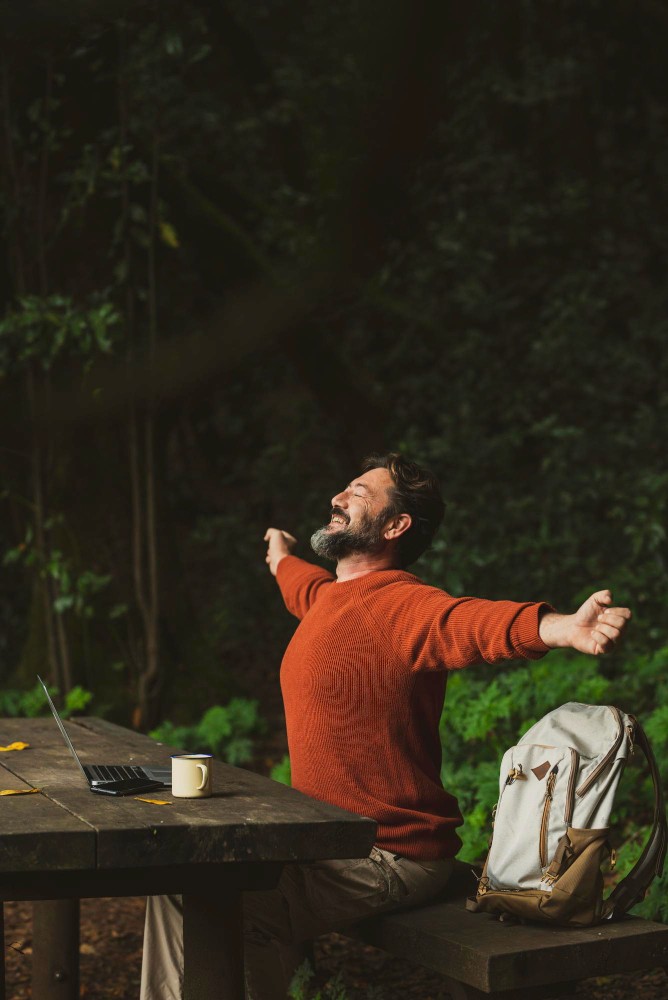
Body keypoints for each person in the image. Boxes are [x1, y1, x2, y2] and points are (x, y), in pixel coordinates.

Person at [141, 453, 631, 999]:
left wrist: (560, 626)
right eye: (343, 489)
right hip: (327, 842)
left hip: (386, 854)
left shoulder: (406, 605)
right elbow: (299, 584)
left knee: (207, 899)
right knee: (188, 888)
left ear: (395, 526)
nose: (338, 498)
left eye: (358, 494)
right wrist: (280, 557)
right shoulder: (329, 598)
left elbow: (471, 623)